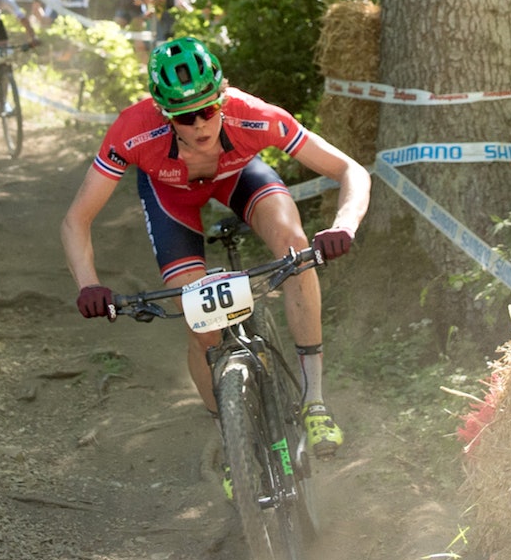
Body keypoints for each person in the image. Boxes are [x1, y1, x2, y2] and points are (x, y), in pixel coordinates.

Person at [60, 37, 371, 459]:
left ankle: (314, 401)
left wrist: (344, 225)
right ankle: (231, 441)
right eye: (186, 117)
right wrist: (88, 285)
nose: (201, 124)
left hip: (238, 175)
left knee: (295, 248)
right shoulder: (132, 131)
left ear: (223, 98)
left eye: (208, 109)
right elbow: (76, 220)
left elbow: (349, 169)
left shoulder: (255, 116)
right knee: (200, 323)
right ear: (164, 115)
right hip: (170, 196)